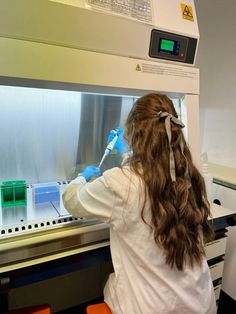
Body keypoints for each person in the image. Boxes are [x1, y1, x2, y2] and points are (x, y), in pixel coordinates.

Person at [63, 93, 216, 314]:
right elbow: (152, 173)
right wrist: (125, 154)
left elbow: (72, 200)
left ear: (134, 133)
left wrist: (81, 177)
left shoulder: (121, 183)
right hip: (202, 305)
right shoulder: (187, 175)